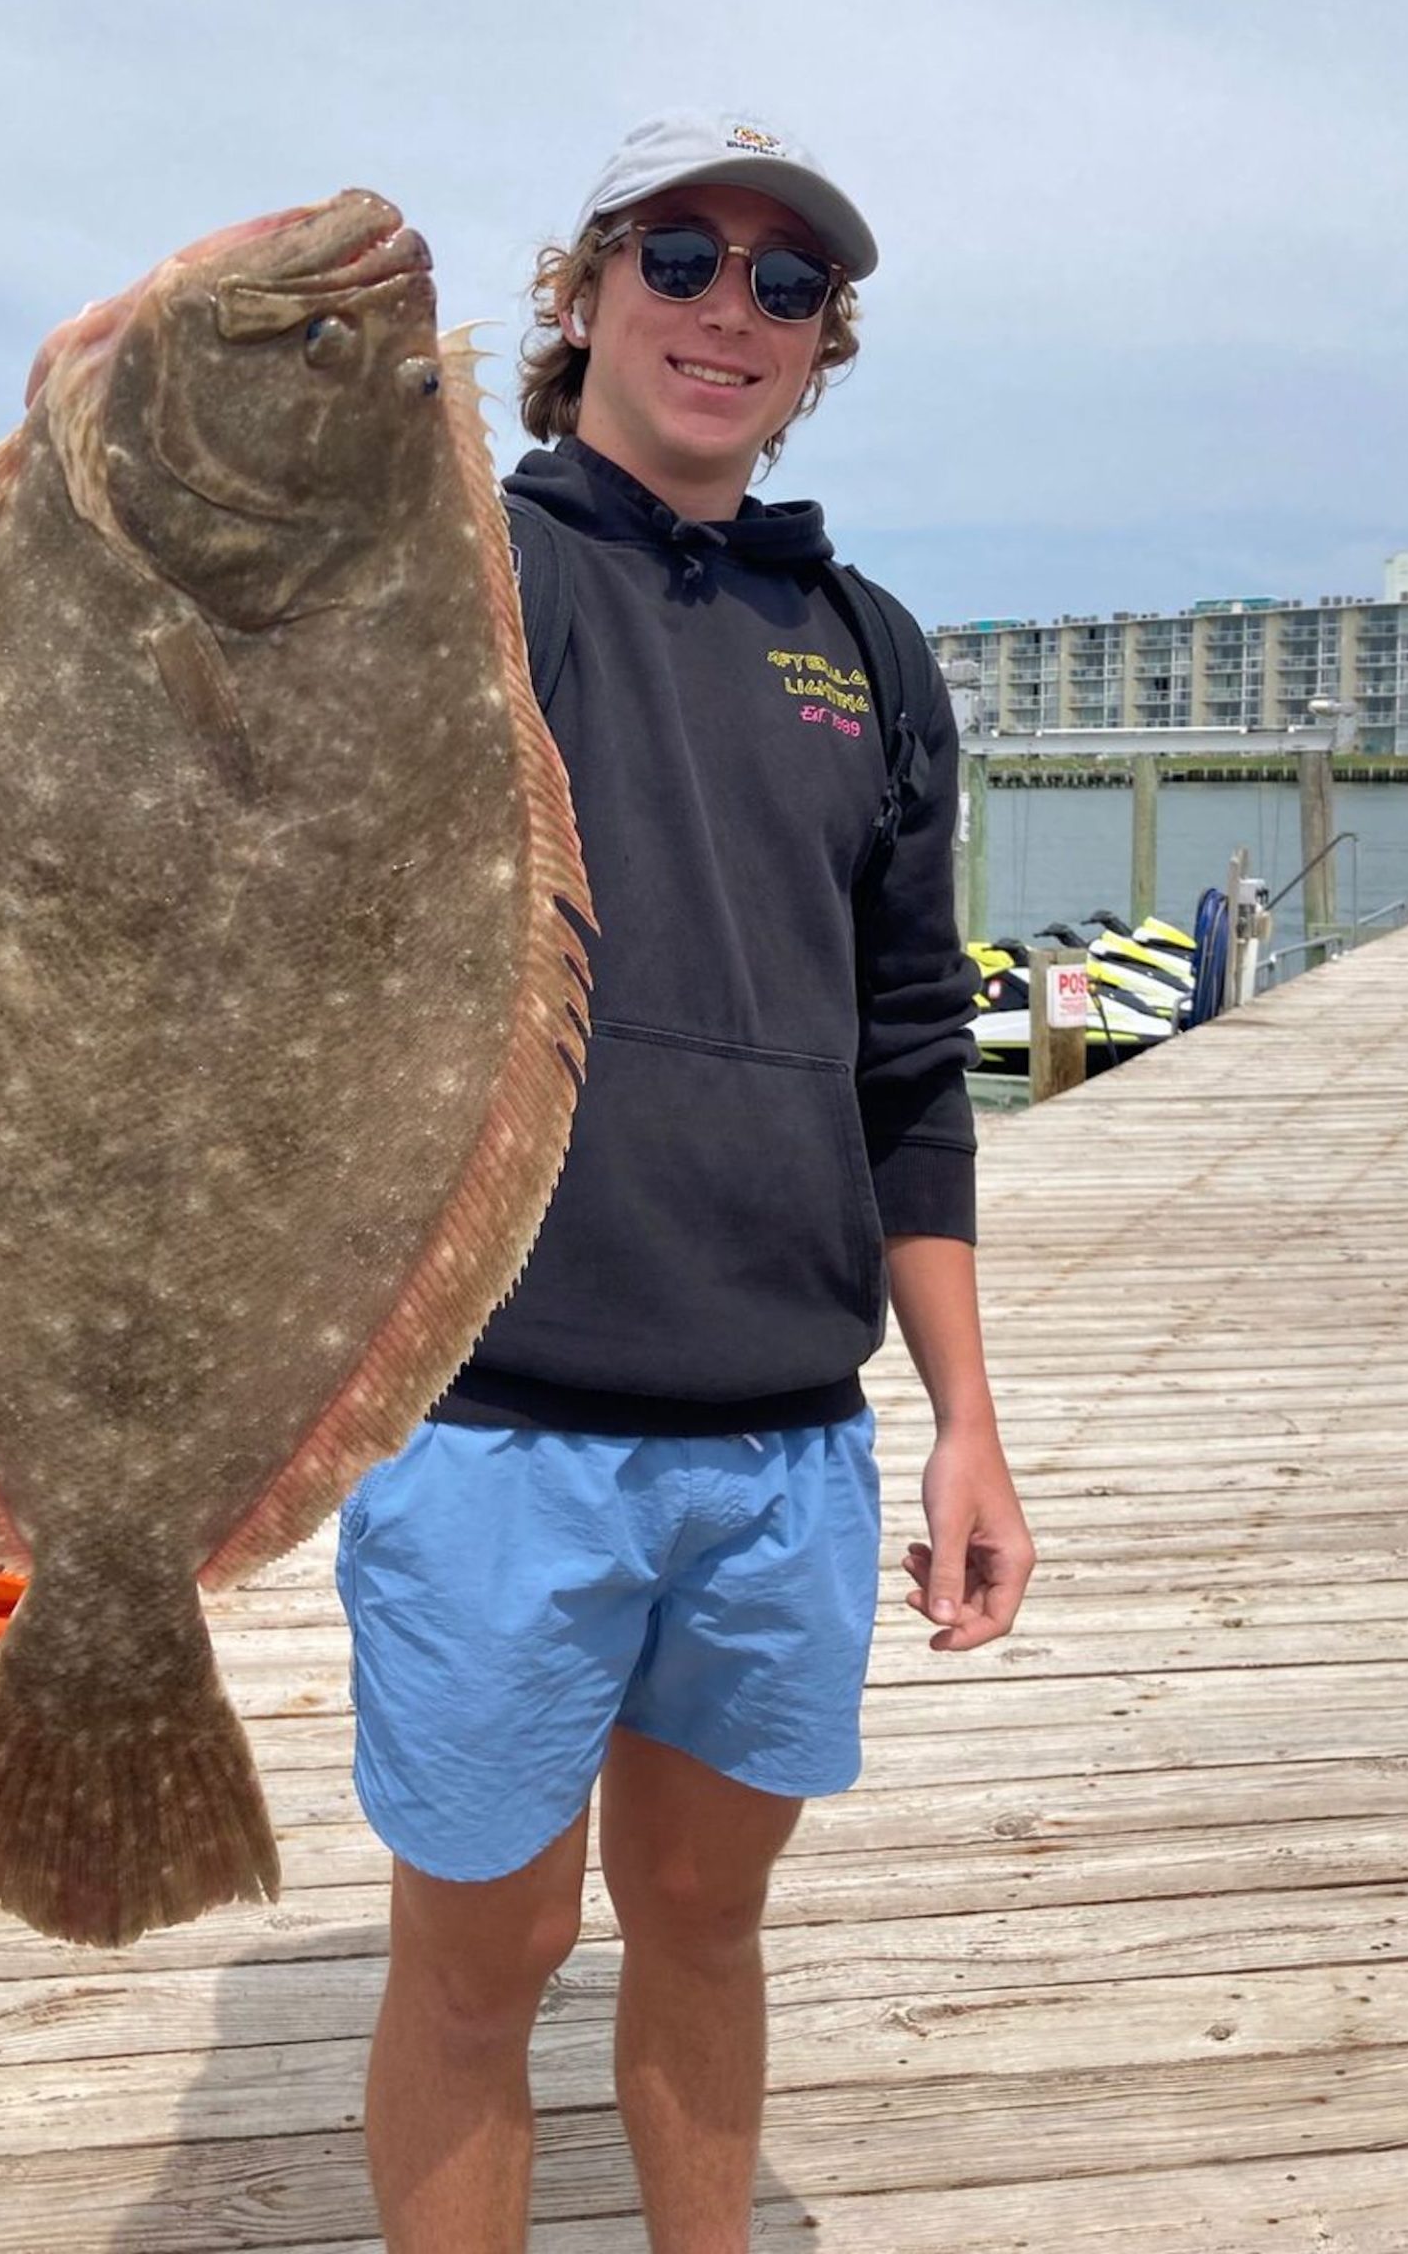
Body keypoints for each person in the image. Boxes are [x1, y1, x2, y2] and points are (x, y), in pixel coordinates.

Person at [336, 111, 1036, 2254]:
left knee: (707, 1928)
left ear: (827, 347)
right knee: (484, 1955)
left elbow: (910, 1054)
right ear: (579, 295)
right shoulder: (471, 567)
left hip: (782, 1442)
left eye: (786, 282)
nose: (729, 307)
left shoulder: (867, 644)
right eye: (679, 257)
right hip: (491, 1425)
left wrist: (967, 1426)